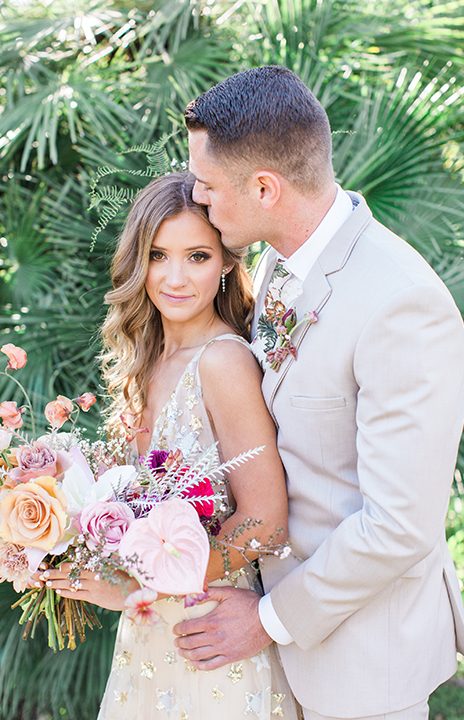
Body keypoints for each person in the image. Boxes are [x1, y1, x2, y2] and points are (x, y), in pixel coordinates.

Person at [172, 66, 464, 720]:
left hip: (363, 667)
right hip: (273, 658)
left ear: (265, 188)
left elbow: (399, 527)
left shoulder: (402, 304)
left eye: (207, 183)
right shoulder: (281, 262)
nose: (197, 197)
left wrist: (268, 619)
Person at [39, 172, 299, 720]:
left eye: (198, 256)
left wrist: (136, 580)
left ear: (228, 261)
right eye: (158, 255)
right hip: (150, 636)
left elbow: (267, 521)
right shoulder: (146, 362)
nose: (175, 277)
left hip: (212, 641)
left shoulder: (223, 362)